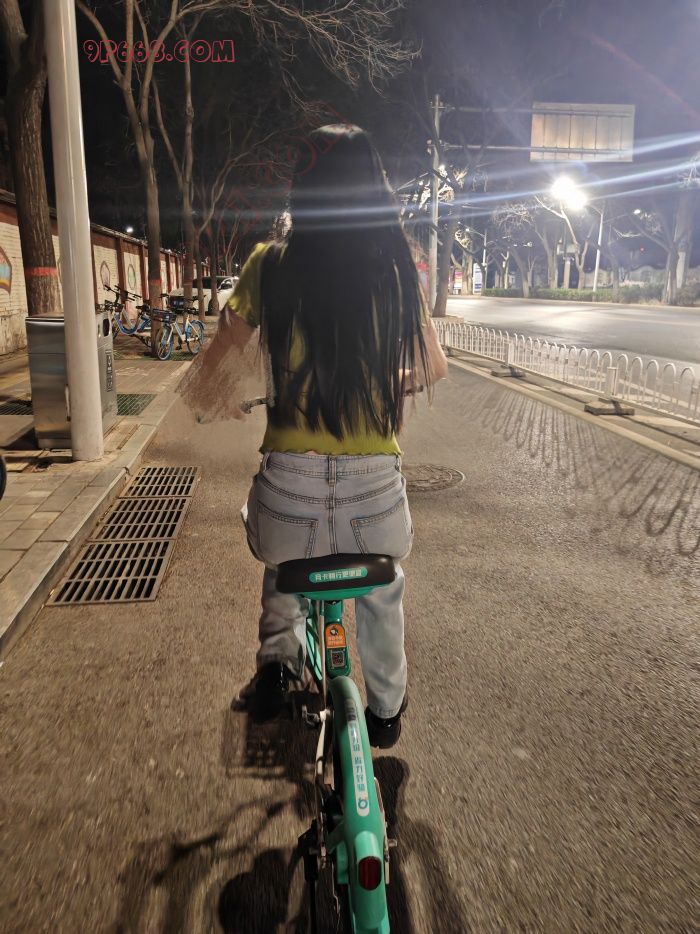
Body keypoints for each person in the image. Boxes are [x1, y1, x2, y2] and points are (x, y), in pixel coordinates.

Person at [184, 124, 448, 748]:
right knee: (383, 587)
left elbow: (213, 370)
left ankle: (276, 664)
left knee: (282, 553)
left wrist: (217, 401)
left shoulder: (268, 263)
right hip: (375, 497)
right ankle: (386, 710)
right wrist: (389, 382)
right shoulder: (396, 271)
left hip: (290, 493)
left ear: (302, 190)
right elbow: (434, 366)